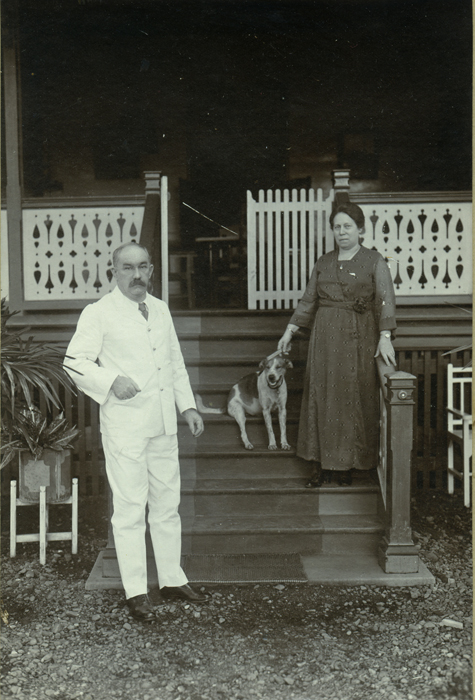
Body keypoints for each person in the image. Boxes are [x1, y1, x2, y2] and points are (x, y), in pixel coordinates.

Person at [65, 242, 205, 621]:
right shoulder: (100, 312)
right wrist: (111, 380)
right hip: (126, 426)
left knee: (166, 505)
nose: (137, 275)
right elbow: (74, 363)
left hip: (162, 424)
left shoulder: (159, 309)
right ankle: (136, 591)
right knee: (129, 509)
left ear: (151, 270)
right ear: (114, 272)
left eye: (143, 267)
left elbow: (173, 361)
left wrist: (187, 406)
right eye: (128, 268)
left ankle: (172, 579)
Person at [277, 202, 396, 488]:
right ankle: (318, 464)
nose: (341, 232)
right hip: (324, 338)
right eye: (337, 227)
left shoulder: (374, 261)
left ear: (361, 230)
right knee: (321, 396)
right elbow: (309, 299)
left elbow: (385, 299)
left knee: (350, 397)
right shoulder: (323, 262)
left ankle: (346, 466)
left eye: (347, 227)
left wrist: (385, 337)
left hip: (359, 338)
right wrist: (289, 331)